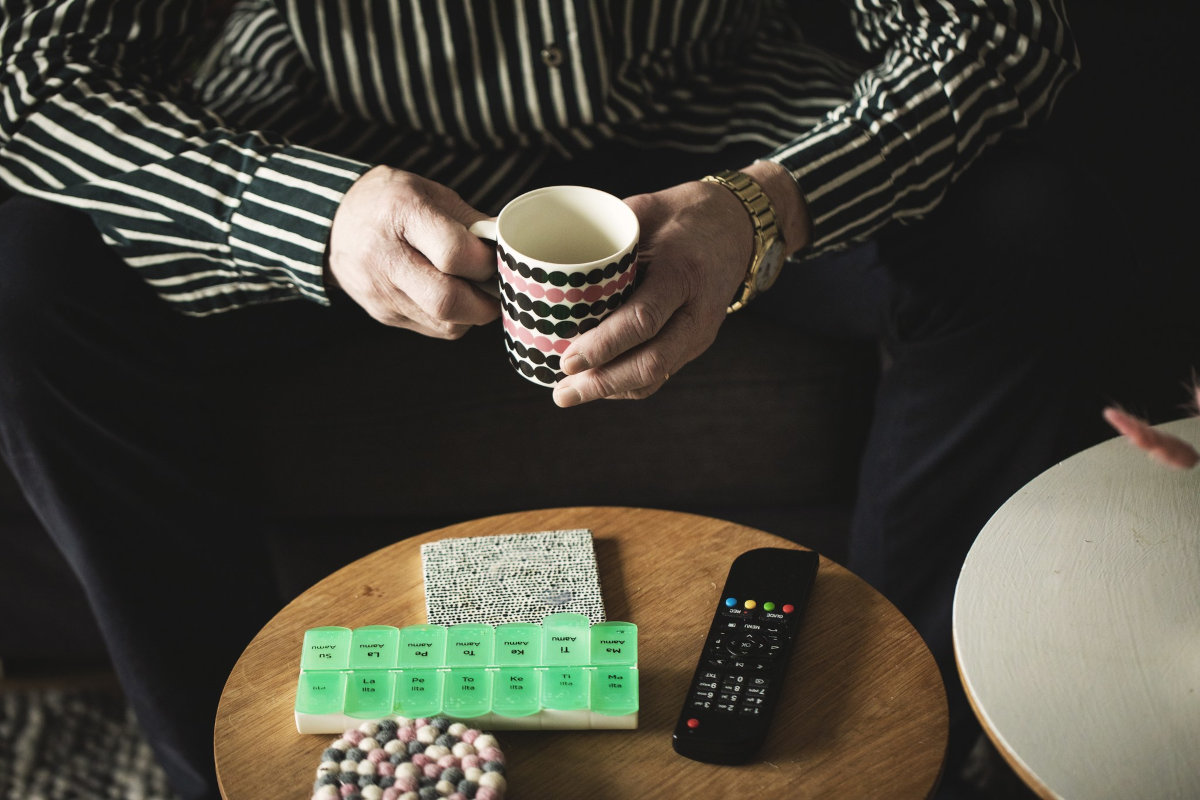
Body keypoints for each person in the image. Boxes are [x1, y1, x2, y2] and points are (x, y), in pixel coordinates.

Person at [0, 1, 1131, 798]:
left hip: (714, 121)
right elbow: (33, 80)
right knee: (30, 281)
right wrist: (307, 213)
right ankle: (224, 767)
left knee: (1032, 218)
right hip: (329, 141)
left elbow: (1003, 31)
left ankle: (904, 731)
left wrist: (769, 203)